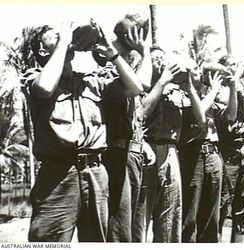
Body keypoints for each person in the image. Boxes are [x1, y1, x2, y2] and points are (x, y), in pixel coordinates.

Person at [21, 21, 143, 242]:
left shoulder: (91, 80)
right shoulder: (34, 76)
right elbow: (45, 88)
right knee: (48, 243)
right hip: (57, 175)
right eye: (55, 36)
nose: (63, 37)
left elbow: (136, 88)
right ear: (42, 49)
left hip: (96, 171)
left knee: (98, 241)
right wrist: (65, 40)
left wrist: (111, 52)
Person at [95, 12, 154, 242]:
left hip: (134, 152)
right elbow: (142, 84)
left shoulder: (128, 61)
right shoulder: (106, 58)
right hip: (117, 152)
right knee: (120, 230)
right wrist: (144, 51)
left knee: (136, 228)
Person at [137, 47, 203, 242]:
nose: (160, 63)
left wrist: (189, 85)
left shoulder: (177, 90)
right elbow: (141, 113)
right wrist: (162, 81)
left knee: (170, 216)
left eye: (162, 59)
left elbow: (200, 120)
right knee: (140, 218)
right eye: (155, 59)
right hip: (146, 150)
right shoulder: (141, 85)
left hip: (171, 151)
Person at [178, 63, 236, 242]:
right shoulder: (182, 93)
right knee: (190, 214)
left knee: (212, 213)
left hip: (212, 154)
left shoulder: (208, 96)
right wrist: (215, 89)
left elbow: (232, 115)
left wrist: (233, 88)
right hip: (192, 155)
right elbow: (200, 114)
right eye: (196, 71)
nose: (201, 74)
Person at [216, 60, 244, 243]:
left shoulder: (241, 87)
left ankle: (238, 243)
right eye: (231, 64)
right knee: (223, 201)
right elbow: (227, 108)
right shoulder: (218, 87)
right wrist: (236, 76)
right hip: (227, 149)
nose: (235, 67)